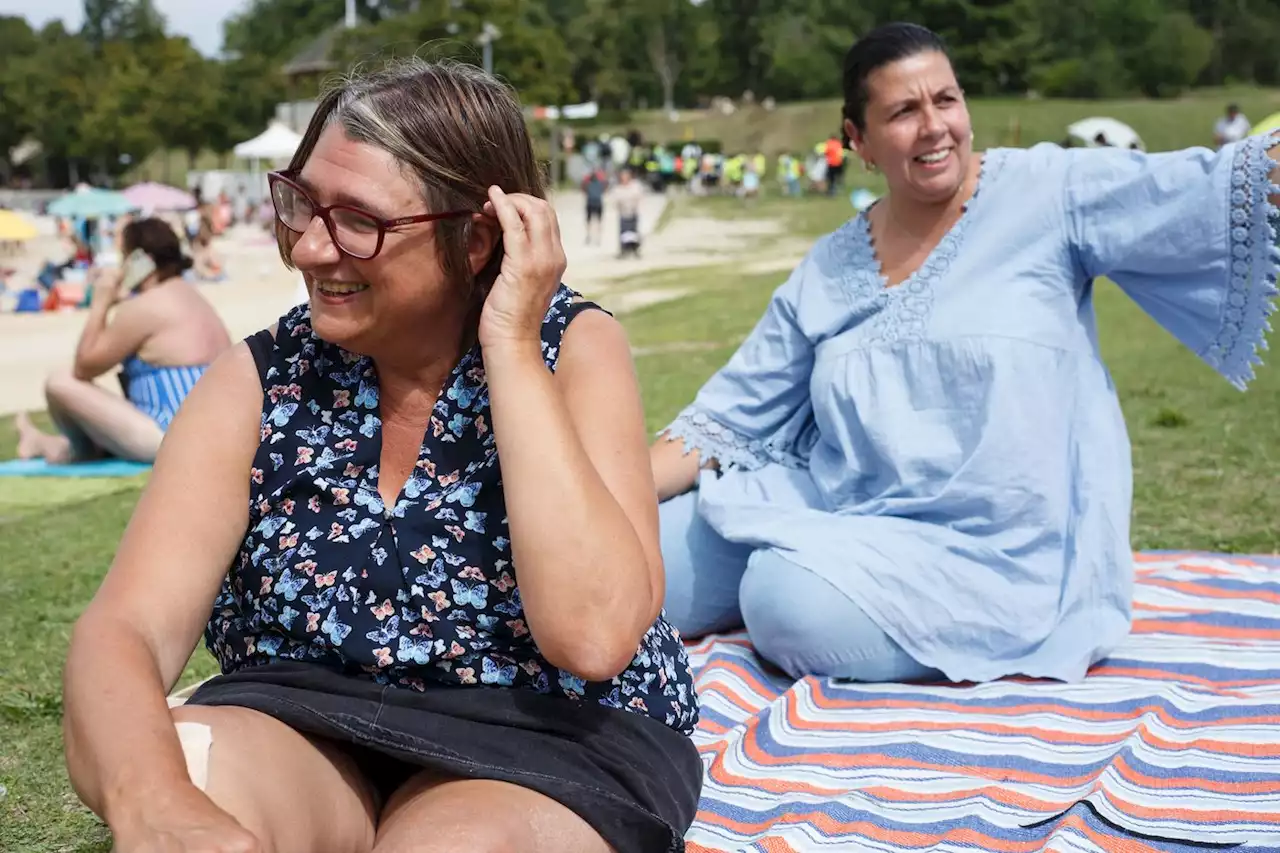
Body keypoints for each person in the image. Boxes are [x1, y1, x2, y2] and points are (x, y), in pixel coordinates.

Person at [62, 59, 700, 853]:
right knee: (187, 774)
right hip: (305, 721)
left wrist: (508, 346)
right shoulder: (260, 379)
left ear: (478, 238)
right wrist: (154, 801)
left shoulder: (571, 349)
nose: (311, 250)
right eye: (301, 204)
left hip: (545, 737)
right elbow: (125, 627)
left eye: (358, 220)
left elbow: (594, 635)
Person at [651, 22, 1279, 686]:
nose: (934, 126)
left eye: (946, 100)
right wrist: (591, 496)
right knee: (631, 556)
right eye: (903, 111)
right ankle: (813, 569)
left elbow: (1202, 186)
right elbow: (725, 419)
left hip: (994, 555)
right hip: (831, 503)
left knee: (783, 601)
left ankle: (832, 587)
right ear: (857, 140)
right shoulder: (829, 266)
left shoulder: (1048, 193)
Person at [16, 218, 230, 464]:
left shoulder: (145, 306)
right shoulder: (192, 297)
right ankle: (41, 443)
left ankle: (77, 453)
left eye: (124, 257)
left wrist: (100, 304)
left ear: (140, 261)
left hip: (172, 437)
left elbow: (83, 368)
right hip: (218, 433)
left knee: (59, 382)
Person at [614, 167, 644, 258]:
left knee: (633, 232)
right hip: (623, 213)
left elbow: (639, 197)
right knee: (623, 233)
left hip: (633, 212)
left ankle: (635, 249)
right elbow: (615, 200)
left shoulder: (635, 186)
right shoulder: (619, 188)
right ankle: (624, 250)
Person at [581, 165, 607, 245]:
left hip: (590, 203)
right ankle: (597, 238)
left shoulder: (588, 183)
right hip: (598, 203)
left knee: (589, 221)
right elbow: (605, 187)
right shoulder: (600, 183)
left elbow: (583, 188)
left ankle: (589, 236)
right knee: (598, 221)